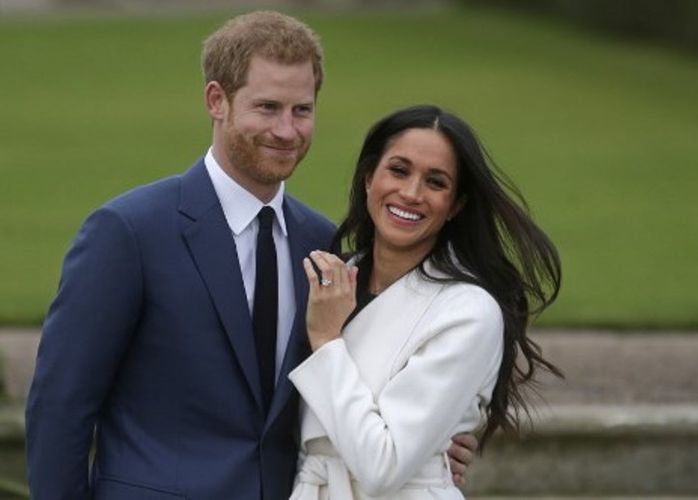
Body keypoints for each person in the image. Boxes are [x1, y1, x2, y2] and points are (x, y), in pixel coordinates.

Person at [24, 12, 474, 500]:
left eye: (301, 110)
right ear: (216, 101)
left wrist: (430, 443)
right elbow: (60, 409)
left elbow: (349, 383)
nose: (286, 130)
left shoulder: (322, 243)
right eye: (267, 107)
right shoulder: (128, 233)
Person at [287, 104, 563, 498]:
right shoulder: (330, 282)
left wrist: (329, 341)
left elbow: (383, 465)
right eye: (398, 170)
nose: (412, 193)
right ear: (369, 177)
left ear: (456, 205)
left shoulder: (468, 312)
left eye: (436, 182)